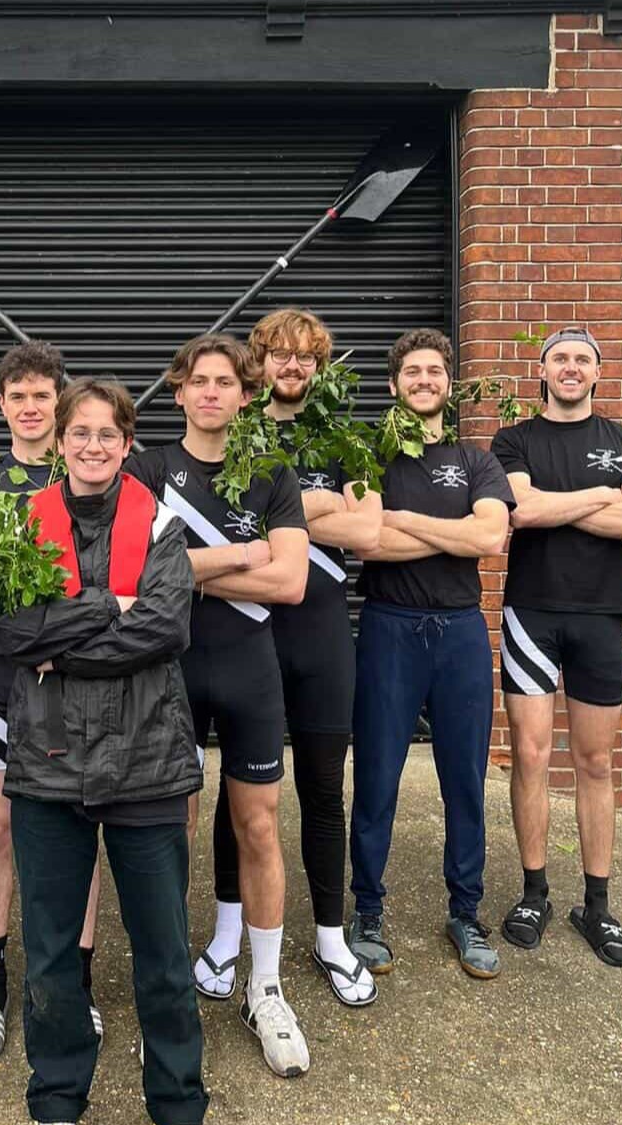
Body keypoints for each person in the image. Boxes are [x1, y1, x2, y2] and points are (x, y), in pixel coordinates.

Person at [0, 376, 214, 1125]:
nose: (91, 446)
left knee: (163, 950)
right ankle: (55, 1107)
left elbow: (166, 626)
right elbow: (12, 630)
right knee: (51, 954)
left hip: (148, 760)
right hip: (49, 763)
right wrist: (108, 606)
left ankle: (178, 1112)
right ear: (60, 442)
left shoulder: (159, 522)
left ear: (126, 444)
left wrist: (68, 640)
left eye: (106, 435)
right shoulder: (19, 523)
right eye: (78, 433)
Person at [126, 334, 311, 1079]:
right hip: (166, 671)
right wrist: (240, 554)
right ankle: (169, 987)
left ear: (245, 394)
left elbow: (291, 581)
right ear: (178, 392)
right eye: (198, 381)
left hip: (248, 669)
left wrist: (182, 571)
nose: (210, 392)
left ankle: (265, 988)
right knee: (170, 827)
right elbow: (132, 571)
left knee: (258, 826)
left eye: (224, 382)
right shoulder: (147, 471)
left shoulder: (270, 472)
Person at [206, 308, 383, 1007]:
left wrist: (286, 509)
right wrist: (320, 502)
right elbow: (223, 523)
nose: (293, 365)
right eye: (279, 353)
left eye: (306, 356)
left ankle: (331, 934)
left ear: (320, 367)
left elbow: (368, 530)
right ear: (259, 360)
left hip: (321, 633)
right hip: (246, 627)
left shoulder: (347, 437)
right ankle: (227, 931)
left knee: (322, 788)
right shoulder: (236, 432)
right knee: (240, 790)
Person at [491, 327, 622, 966]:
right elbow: (522, 512)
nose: (570, 367)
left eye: (582, 359)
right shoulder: (513, 440)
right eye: (559, 358)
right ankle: (534, 892)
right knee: (530, 755)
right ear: (542, 369)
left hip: (601, 615)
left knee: (595, 762)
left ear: (596, 372)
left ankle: (597, 905)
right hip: (531, 613)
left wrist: (553, 503)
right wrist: (601, 495)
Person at [0, 340, 103, 1062]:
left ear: (60, 402)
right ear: (2, 404)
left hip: (76, 675)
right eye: (18, 396)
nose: (31, 407)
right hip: (0, 671)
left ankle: (76, 985)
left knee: (80, 827)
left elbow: (105, 574)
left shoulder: (87, 471)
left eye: (43, 395)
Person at [349, 328, 514, 980]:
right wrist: (453, 533)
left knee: (464, 779)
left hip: (460, 633)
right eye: (412, 372)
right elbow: (368, 542)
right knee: (377, 777)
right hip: (389, 629)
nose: (424, 380)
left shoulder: (476, 461)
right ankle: (367, 911)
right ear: (394, 384)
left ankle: (466, 912)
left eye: (434, 371)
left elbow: (491, 537)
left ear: (449, 382)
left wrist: (404, 522)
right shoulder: (370, 456)